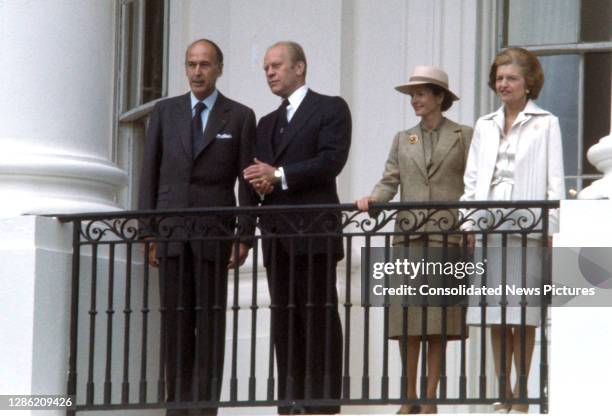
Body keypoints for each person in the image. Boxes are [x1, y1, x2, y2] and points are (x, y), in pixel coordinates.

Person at [138, 39, 256, 416]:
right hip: (171, 234)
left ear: (219, 68)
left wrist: (244, 236)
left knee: (209, 327)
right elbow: (149, 174)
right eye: (191, 64)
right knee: (175, 326)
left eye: (205, 65)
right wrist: (148, 231)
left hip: (213, 236)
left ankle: (205, 410)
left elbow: (247, 183)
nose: (197, 72)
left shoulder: (238, 116)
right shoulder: (165, 112)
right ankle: (177, 410)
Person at [356, 66, 472, 414]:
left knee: (437, 322)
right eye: (412, 95)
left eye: (421, 93)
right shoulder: (403, 137)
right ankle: (408, 397)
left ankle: (429, 397)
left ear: (440, 97)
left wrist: (469, 227)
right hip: (408, 236)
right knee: (406, 321)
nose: (415, 101)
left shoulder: (463, 135)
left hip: (445, 235)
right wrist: (374, 199)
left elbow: (473, 184)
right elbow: (390, 179)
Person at [243, 41, 351, 415]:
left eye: (276, 66)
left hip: (314, 232)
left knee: (318, 315)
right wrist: (259, 181)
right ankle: (290, 404)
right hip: (277, 236)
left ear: (300, 67)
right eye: (266, 68)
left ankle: (321, 405)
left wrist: (280, 175)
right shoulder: (266, 123)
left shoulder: (330, 108)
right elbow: (259, 170)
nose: (270, 73)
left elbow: (330, 161)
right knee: (285, 319)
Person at [461, 47, 564, 413]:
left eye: (512, 78)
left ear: (528, 83)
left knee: (523, 312)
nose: (503, 84)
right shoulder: (484, 124)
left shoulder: (546, 122)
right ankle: (502, 389)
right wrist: (470, 221)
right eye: (500, 78)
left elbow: (555, 180)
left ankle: (521, 392)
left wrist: (550, 228)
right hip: (490, 226)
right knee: (495, 313)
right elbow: (471, 179)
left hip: (527, 227)